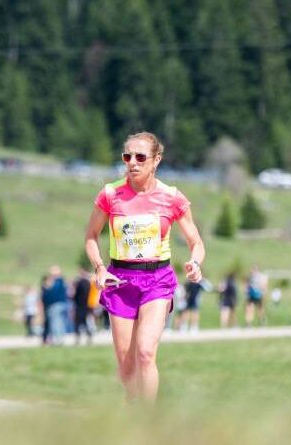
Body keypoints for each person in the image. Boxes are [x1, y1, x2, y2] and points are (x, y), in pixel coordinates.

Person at [85, 131, 205, 403]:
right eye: (127, 156)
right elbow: (91, 236)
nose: (132, 163)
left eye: (140, 157)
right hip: (120, 281)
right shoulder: (110, 194)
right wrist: (99, 267)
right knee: (127, 367)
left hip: (157, 280)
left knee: (146, 352)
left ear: (156, 160)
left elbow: (196, 242)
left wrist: (195, 263)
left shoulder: (171, 197)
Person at [41, 266, 68, 346]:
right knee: (59, 322)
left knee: (56, 323)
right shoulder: (61, 282)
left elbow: (52, 295)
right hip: (60, 304)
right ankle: (59, 339)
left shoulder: (57, 282)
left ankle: (58, 340)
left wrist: (47, 288)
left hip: (55, 305)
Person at [72, 266, 93, 345]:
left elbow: (76, 295)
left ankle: (78, 337)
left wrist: (74, 298)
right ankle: (89, 336)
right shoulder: (88, 282)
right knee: (86, 322)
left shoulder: (80, 283)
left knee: (78, 322)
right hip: (87, 305)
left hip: (80, 305)